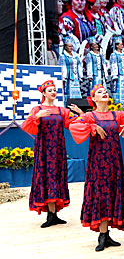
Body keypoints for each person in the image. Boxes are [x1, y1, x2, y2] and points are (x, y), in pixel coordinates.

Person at [69, 84, 124, 251]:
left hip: (114, 163)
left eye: (105, 91)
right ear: (94, 99)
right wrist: (92, 127)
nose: (104, 93)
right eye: (100, 92)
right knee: (101, 195)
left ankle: (107, 233)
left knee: (112, 193)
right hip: (98, 164)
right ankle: (102, 234)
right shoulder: (90, 116)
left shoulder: (116, 115)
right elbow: (74, 126)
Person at [22, 80, 83, 228]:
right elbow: (26, 126)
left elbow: (75, 124)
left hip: (58, 149)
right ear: (43, 93)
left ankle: (54, 213)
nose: (53, 92)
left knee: (56, 178)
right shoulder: (37, 109)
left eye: (55, 90)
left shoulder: (61, 111)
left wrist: (81, 114)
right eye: (50, 90)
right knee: (47, 178)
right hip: (44, 150)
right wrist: (37, 116)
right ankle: (50, 214)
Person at [109, 35, 124, 106]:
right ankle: (119, 103)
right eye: (121, 44)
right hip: (119, 74)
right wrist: (115, 75)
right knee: (119, 87)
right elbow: (113, 65)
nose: (122, 46)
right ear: (116, 46)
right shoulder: (114, 55)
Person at [58, 36, 83, 102]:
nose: (71, 48)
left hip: (76, 77)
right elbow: (62, 67)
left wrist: (80, 75)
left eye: (71, 46)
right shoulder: (63, 56)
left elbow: (79, 65)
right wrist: (63, 77)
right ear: (65, 47)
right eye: (69, 46)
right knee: (69, 92)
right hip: (68, 77)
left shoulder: (76, 55)